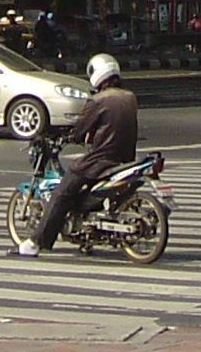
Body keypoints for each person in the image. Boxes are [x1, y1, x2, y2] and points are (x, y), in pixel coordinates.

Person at [18, 54, 137, 257]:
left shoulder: (98, 100)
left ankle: (36, 243)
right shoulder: (130, 97)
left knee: (61, 194)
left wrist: (71, 137)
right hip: (125, 159)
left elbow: (80, 130)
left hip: (99, 160)